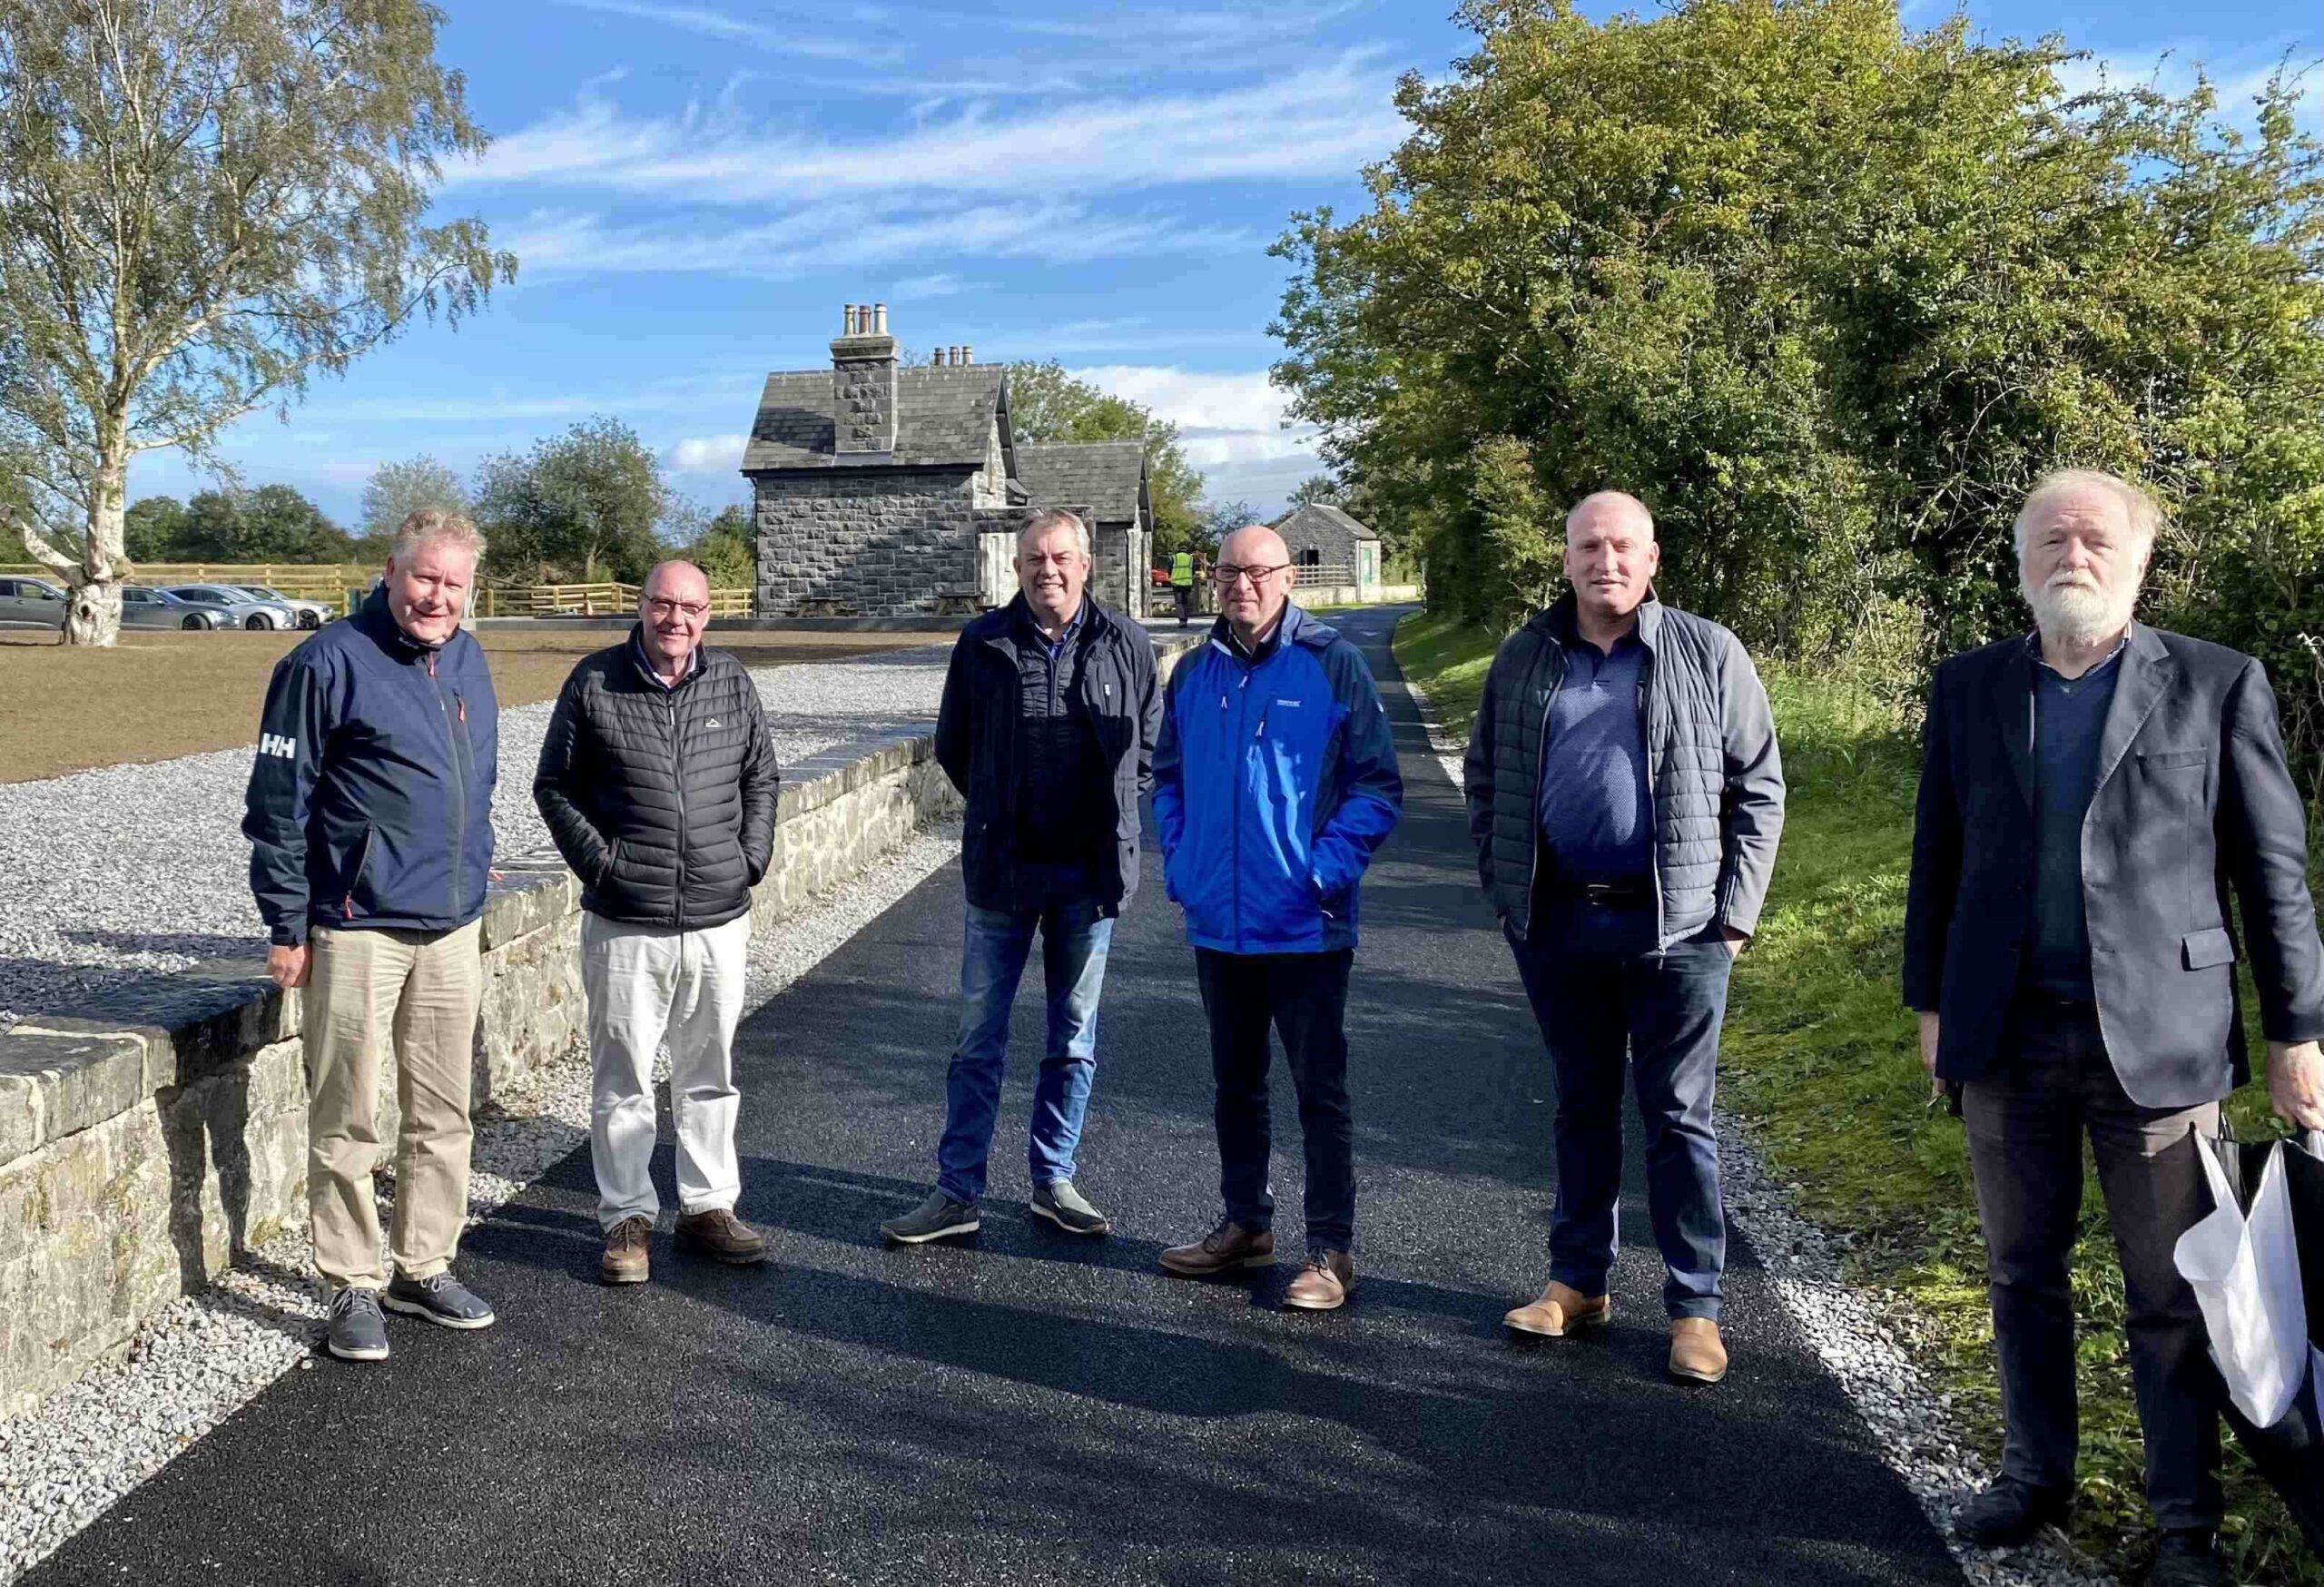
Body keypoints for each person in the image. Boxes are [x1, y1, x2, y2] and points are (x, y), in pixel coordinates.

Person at [1905, 469, 2324, 1587]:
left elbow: (2272, 874)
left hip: (2163, 1043)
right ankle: (2032, 1473)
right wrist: (1931, 1005)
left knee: (2174, 1293)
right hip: (2003, 1037)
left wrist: (2297, 1029)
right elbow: (1935, 860)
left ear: (2139, 561)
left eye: (2095, 538)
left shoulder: (2215, 682)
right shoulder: (1969, 688)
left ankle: (2183, 1524)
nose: (2070, 554)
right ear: (2021, 558)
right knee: (2018, 1273)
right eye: (2050, 537)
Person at [1463, 491, 1785, 1385]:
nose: (1605, 559)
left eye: (1622, 546)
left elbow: (1760, 787)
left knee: (1678, 1115)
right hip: (1560, 922)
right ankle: (1577, 1281)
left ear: (1651, 559)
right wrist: (1504, 891)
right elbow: (1485, 777)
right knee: (1579, 1103)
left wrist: (1731, 916)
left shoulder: (1706, 650)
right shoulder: (1526, 657)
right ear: (1564, 558)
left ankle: (1694, 1308)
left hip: (1679, 926)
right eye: (1587, 545)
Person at [242, 508, 500, 1363]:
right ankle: (350, 1280)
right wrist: (288, 920)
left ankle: (421, 1267)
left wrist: (472, 856)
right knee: (349, 1112)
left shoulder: (465, 653)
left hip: (451, 924)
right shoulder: (323, 662)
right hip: (355, 927)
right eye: (424, 577)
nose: (437, 596)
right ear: (390, 572)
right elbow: (278, 806)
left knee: (442, 1112)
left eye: (454, 583)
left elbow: (473, 774)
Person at [881, 508, 1162, 1244]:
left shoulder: (1126, 642)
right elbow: (953, 745)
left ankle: (1053, 1179)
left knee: (1073, 1038)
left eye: (1062, 557)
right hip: (1002, 874)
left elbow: (1151, 745)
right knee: (979, 1037)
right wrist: (1000, 810)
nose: (1049, 570)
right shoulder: (982, 643)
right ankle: (957, 1192)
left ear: (1086, 563)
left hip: (1089, 878)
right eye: (1035, 559)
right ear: (1017, 568)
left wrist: (1112, 816)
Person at [1152, 524, 1403, 1310]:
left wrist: (1322, 870)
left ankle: (1330, 1249)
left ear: (1287, 577)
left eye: (1258, 572)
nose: (1242, 586)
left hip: (1306, 924)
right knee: (1235, 1083)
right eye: (1229, 572)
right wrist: (1184, 861)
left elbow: (1376, 785)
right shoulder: (1194, 671)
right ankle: (1244, 1224)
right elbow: (1165, 779)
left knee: (1318, 1091)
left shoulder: (1334, 665)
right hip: (1218, 925)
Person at [533, 560, 782, 1285]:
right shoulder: (595, 681)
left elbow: (760, 776)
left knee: (709, 1072)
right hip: (626, 918)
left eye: (692, 608)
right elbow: (554, 785)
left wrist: (750, 860)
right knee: (624, 1076)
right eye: (663, 605)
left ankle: (707, 1207)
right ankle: (627, 1219)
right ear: (641, 606)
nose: (677, 620)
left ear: (709, 615)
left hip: (716, 915)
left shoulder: (731, 680)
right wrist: (603, 866)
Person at [1169, 547, 1196, 626]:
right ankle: (1185, 618)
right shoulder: (1191, 559)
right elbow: (1193, 570)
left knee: (1179, 602)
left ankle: (1182, 620)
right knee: (1185, 602)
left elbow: (1169, 569)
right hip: (1187, 583)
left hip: (1176, 583)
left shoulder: (1174, 557)